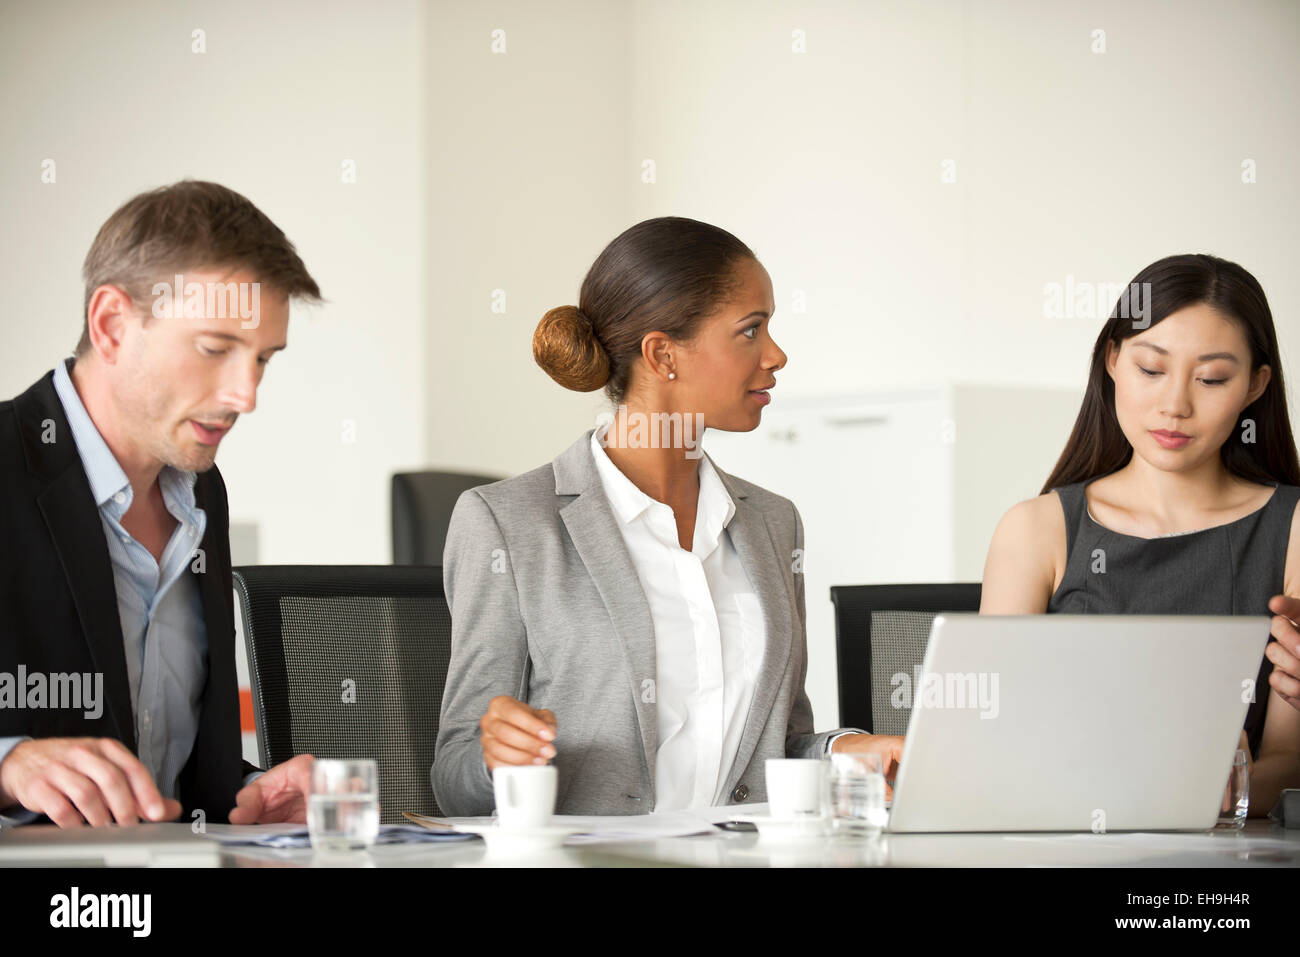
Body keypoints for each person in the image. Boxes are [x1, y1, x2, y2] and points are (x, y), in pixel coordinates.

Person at [432, 217, 903, 816]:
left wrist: (847, 752)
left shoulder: (773, 523)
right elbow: (454, 781)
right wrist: (494, 758)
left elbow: (775, 749)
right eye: (751, 331)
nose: (777, 355)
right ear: (663, 354)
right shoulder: (506, 525)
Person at [0, 180, 321, 827]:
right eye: (214, 349)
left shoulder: (202, 491)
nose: (245, 394)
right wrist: (9, 766)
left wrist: (248, 791)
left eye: (262, 359)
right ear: (113, 325)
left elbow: (165, 770)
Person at [981, 253, 1300, 815]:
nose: (1174, 405)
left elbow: (1288, 759)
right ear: (1112, 360)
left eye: (1212, 379)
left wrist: (1230, 788)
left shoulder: (1293, 529)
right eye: (1151, 370)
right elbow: (990, 744)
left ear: (1255, 386)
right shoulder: (1037, 530)